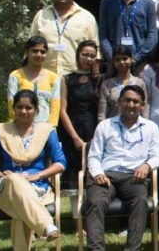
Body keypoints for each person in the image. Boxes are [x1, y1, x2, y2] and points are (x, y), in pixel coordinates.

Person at [0, 89, 67, 251]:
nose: (24, 111)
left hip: (37, 187)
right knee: (14, 179)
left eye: (29, 107)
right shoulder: (1, 131)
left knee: (20, 208)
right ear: (14, 108)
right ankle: (46, 225)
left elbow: (61, 163)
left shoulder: (45, 131)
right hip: (5, 186)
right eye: (19, 107)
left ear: (36, 109)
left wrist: (38, 175)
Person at [82, 85, 159, 251]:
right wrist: (98, 173)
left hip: (134, 176)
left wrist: (147, 166)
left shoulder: (150, 127)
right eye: (127, 100)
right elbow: (94, 156)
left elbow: (156, 156)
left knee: (140, 202)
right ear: (119, 102)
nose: (131, 105)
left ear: (142, 106)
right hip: (106, 175)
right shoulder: (105, 126)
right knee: (95, 202)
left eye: (135, 101)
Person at [30, 0, 98, 76]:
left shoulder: (87, 17)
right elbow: (31, 45)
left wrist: (95, 73)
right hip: (45, 75)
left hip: (76, 76)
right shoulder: (41, 15)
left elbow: (96, 47)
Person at [58, 41, 101, 192]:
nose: (88, 59)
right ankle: (76, 208)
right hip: (72, 128)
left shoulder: (99, 79)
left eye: (92, 56)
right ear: (78, 55)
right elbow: (62, 110)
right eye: (85, 55)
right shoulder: (67, 79)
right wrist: (75, 137)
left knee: (93, 168)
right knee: (73, 172)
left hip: (94, 128)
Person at [99, 0, 158, 67]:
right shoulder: (106, 3)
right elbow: (103, 35)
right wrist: (113, 59)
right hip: (114, 64)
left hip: (140, 64)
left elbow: (152, 36)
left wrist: (135, 59)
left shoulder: (148, 4)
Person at [8, 36, 61, 124]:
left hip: (45, 126)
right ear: (27, 52)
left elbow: (55, 104)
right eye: (34, 51)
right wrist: (16, 125)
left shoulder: (53, 77)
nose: (39, 55)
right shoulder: (15, 75)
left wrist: (51, 126)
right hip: (20, 126)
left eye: (42, 52)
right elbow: (11, 102)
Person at [98, 44, 149, 122]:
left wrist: (145, 126)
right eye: (117, 60)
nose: (121, 62)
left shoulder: (140, 83)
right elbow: (102, 113)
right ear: (113, 62)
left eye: (125, 58)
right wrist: (102, 127)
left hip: (135, 127)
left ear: (131, 60)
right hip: (113, 127)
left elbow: (144, 110)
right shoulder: (106, 85)